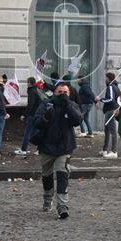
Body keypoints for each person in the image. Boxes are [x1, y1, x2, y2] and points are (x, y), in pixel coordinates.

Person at [36, 83, 81, 219]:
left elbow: (78, 120)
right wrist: (45, 118)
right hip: (46, 146)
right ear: (54, 92)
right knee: (47, 175)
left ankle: (62, 206)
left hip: (64, 146)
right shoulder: (46, 104)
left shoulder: (72, 105)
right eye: (59, 91)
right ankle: (47, 198)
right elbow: (35, 123)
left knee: (62, 174)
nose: (62, 94)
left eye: (65, 92)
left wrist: (67, 105)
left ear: (69, 93)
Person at [17, 77, 44, 156]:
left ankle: (23, 149)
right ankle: (40, 149)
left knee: (27, 132)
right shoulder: (37, 90)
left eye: (27, 82)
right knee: (35, 133)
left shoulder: (32, 91)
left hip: (32, 115)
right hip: (38, 114)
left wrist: (24, 115)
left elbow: (30, 105)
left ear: (29, 83)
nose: (26, 84)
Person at [100, 72, 120, 158]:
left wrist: (100, 99)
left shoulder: (111, 87)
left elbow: (111, 99)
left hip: (111, 111)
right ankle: (105, 150)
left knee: (112, 131)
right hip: (111, 110)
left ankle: (114, 151)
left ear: (108, 78)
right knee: (107, 131)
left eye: (105, 77)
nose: (104, 79)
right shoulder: (115, 87)